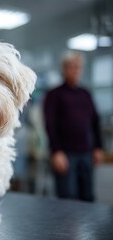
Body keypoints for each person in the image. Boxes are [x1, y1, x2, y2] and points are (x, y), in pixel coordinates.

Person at [43, 51, 104, 202]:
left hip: (86, 153)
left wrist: (98, 147)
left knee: (88, 197)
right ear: (64, 69)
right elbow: (50, 125)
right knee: (67, 198)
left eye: (78, 67)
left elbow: (95, 121)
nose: (75, 70)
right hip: (65, 154)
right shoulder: (54, 95)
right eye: (71, 66)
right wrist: (56, 151)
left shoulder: (85, 94)